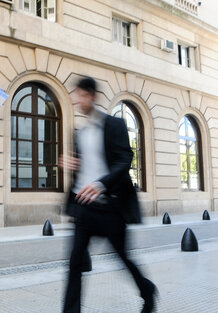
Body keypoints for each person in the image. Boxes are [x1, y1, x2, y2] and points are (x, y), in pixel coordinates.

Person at [61, 77, 157, 313]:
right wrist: (73, 164)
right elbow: (85, 166)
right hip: (84, 207)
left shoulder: (115, 125)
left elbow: (125, 160)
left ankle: (147, 291)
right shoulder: (81, 133)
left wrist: (101, 184)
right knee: (74, 263)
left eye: (80, 95)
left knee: (122, 257)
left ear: (91, 95)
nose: (76, 100)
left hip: (109, 208)